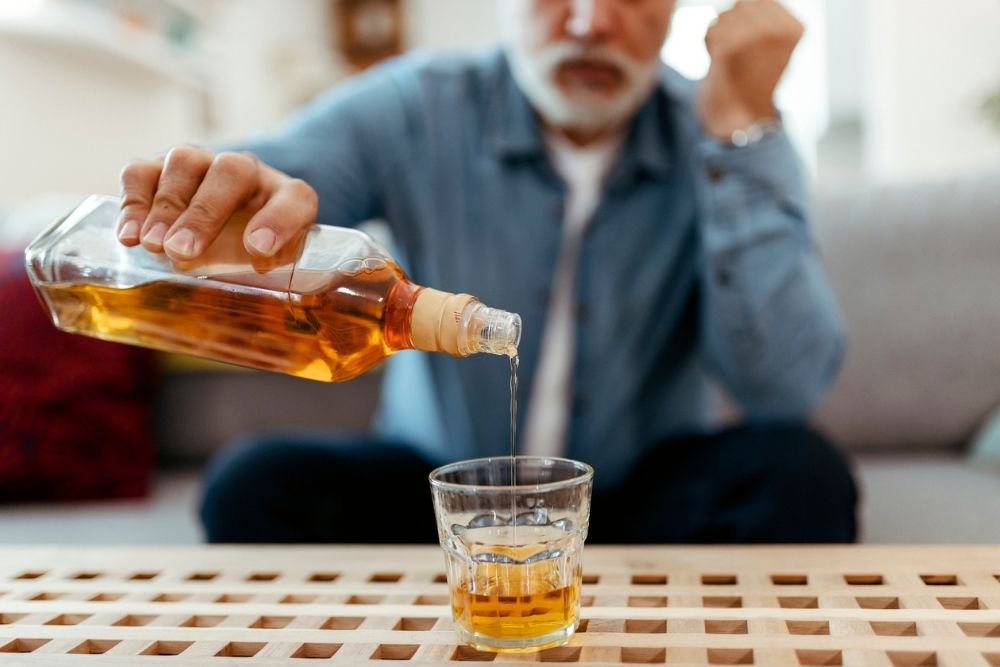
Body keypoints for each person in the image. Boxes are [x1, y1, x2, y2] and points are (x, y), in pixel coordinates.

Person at [116, 0, 857, 544]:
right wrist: (240, 200)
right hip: (438, 496)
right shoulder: (417, 104)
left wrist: (738, 134)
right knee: (253, 484)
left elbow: (785, 388)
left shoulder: (728, 129)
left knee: (802, 471)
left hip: (637, 502)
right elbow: (284, 177)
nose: (590, 22)